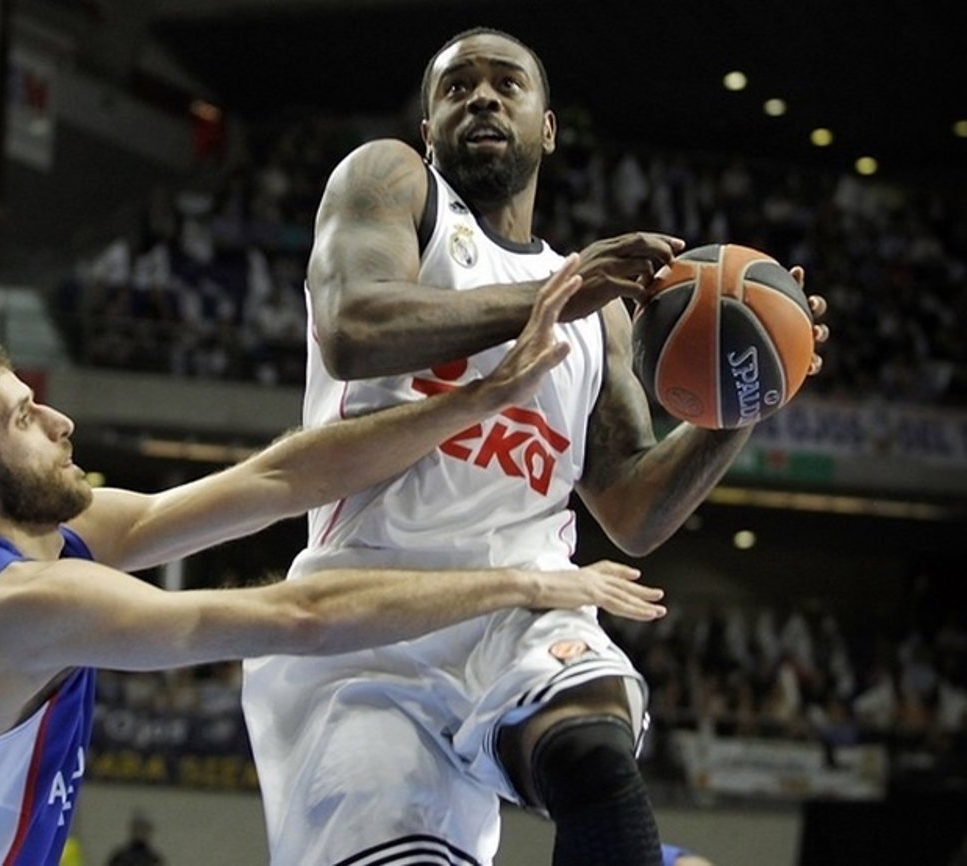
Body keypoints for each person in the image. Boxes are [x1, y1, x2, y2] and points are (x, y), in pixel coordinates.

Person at [0, 280, 671, 866]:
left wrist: (478, 401)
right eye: (22, 416)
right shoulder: (18, 604)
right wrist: (526, 581)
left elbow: (277, 479)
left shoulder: (29, 549)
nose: (59, 421)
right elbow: (299, 618)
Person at [241, 25, 829, 866]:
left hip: (523, 605)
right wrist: (558, 294)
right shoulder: (393, 185)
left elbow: (631, 510)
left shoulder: (602, 311)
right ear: (428, 129)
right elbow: (352, 327)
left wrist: (745, 398)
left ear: (546, 128)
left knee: (592, 748)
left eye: (506, 84)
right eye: (458, 86)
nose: (482, 96)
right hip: (366, 616)